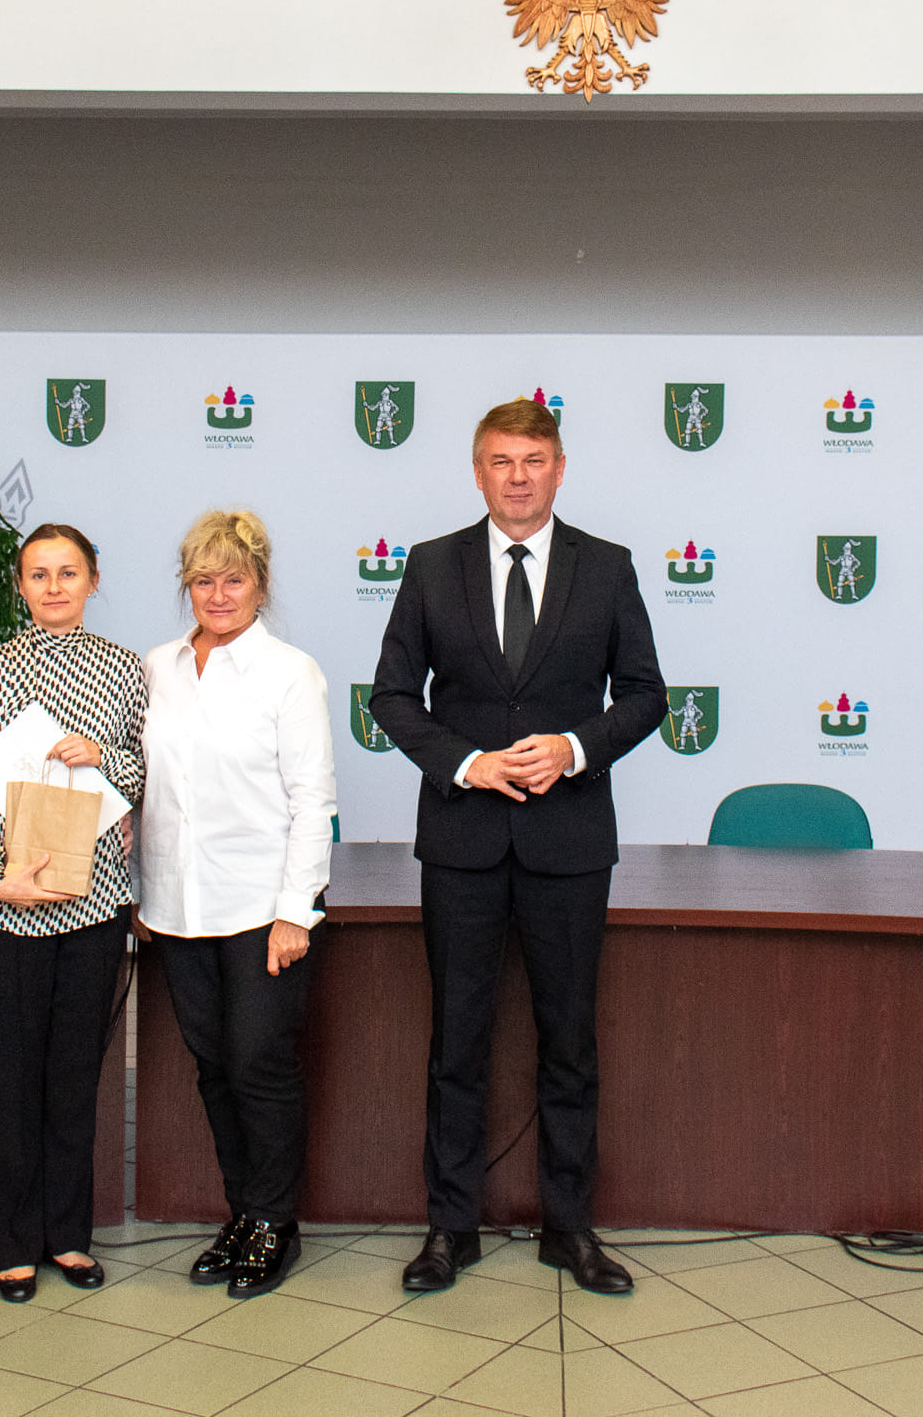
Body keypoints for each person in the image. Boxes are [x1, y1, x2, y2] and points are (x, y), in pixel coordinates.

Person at [370, 397, 665, 1297]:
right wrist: (467, 762)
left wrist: (574, 747)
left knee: (568, 1042)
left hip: (568, 841)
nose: (518, 476)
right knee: (456, 1043)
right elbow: (392, 696)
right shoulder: (431, 565)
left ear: (560, 469)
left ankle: (568, 1227)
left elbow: (646, 694)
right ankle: (449, 1228)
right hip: (461, 840)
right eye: (501, 461)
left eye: (534, 460)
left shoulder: (607, 567)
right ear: (478, 472)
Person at [138, 509, 335, 1300]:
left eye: (234, 578)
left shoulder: (290, 672)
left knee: (259, 1064)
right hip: (176, 904)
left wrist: (296, 909)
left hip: (261, 906)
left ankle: (275, 1221)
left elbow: (313, 798)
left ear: (261, 583)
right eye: (202, 579)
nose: (217, 594)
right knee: (215, 1066)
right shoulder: (157, 666)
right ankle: (243, 1214)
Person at [0, 524, 146, 1303]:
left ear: (93, 579)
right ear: (20, 585)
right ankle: (13, 1243)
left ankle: (68, 1236)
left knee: (74, 1079)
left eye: (68, 572)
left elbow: (148, 766)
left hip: (93, 901)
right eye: (38, 574)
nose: (53, 587)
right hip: (8, 908)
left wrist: (105, 757)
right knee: (12, 1079)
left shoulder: (126, 667)